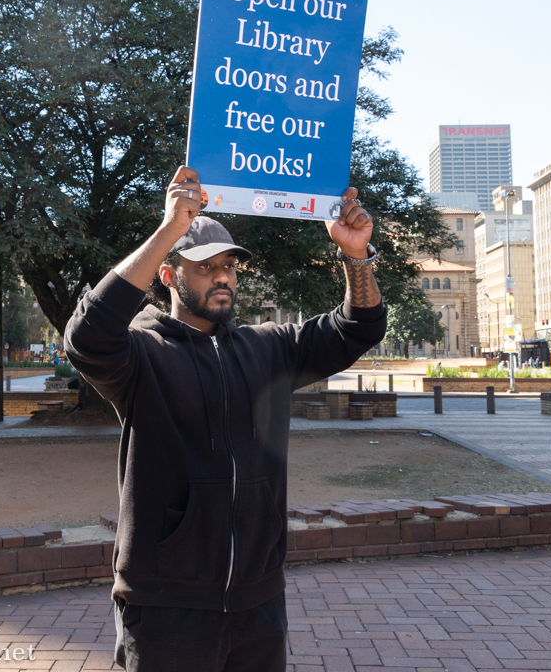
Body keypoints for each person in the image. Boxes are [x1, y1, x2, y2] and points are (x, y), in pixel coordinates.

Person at [64, 166, 387, 672]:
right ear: (168, 275)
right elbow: (86, 337)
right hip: (168, 605)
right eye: (204, 266)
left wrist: (355, 256)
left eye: (230, 267)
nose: (222, 276)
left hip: (258, 602)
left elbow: (357, 328)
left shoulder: (268, 348)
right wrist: (170, 229)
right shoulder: (141, 356)